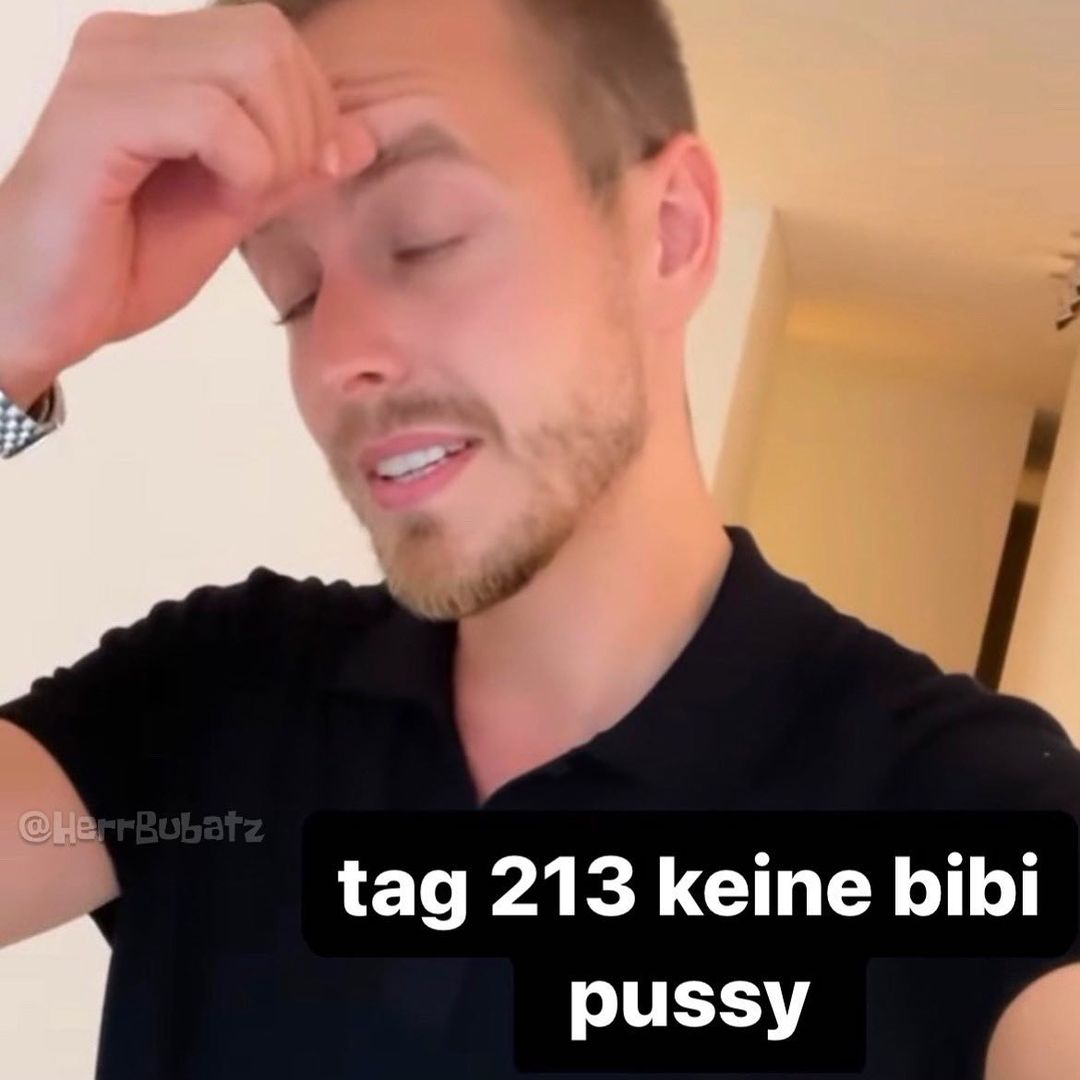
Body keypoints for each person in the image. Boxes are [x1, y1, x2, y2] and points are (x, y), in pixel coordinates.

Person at [0, 0, 1076, 1077]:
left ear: (670, 233)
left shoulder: (966, 814)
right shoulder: (214, 706)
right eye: (296, 293)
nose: (336, 358)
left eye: (426, 238)